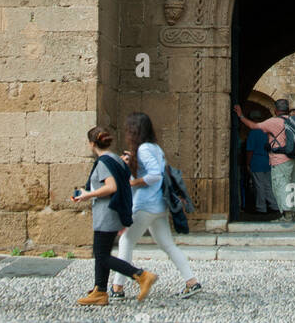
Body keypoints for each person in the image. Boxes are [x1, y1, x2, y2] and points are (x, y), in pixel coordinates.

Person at [111, 112, 201, 299]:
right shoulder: (155, 148)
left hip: (145, 205)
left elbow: (155, 176)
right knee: (167, 244)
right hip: (159, 205)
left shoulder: (143, 149)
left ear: (134, 130)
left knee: (125, 241)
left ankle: (117, 288)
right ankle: (192, 282)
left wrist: (131, 183)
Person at [73, 125, 157, 306]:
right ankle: (100, 292)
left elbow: (111, 187)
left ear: (91, 144)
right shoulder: (116, 159)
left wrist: (87, 195)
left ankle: (142, 275)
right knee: (101, 253)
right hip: (115, 213)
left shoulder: (103, 162)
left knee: (101, 255)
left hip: (106, 214)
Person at [234, 98, 295, 223]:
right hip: (292, 159)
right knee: (289, 185)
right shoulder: (293, 121)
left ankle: (263, 208)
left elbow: (250, 148)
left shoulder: (268, 125)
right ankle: (286, 209)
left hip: (270, 160)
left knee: (266, 186)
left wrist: (240, 115)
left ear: (275, 110)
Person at [245, 105, 279, 217]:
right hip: (267, 160)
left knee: (259, 185)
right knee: (268, 185)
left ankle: (261, 207)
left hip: (257, 161)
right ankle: (274, 205)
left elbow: (250, 149)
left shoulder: (253, 132)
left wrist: (248, 163)